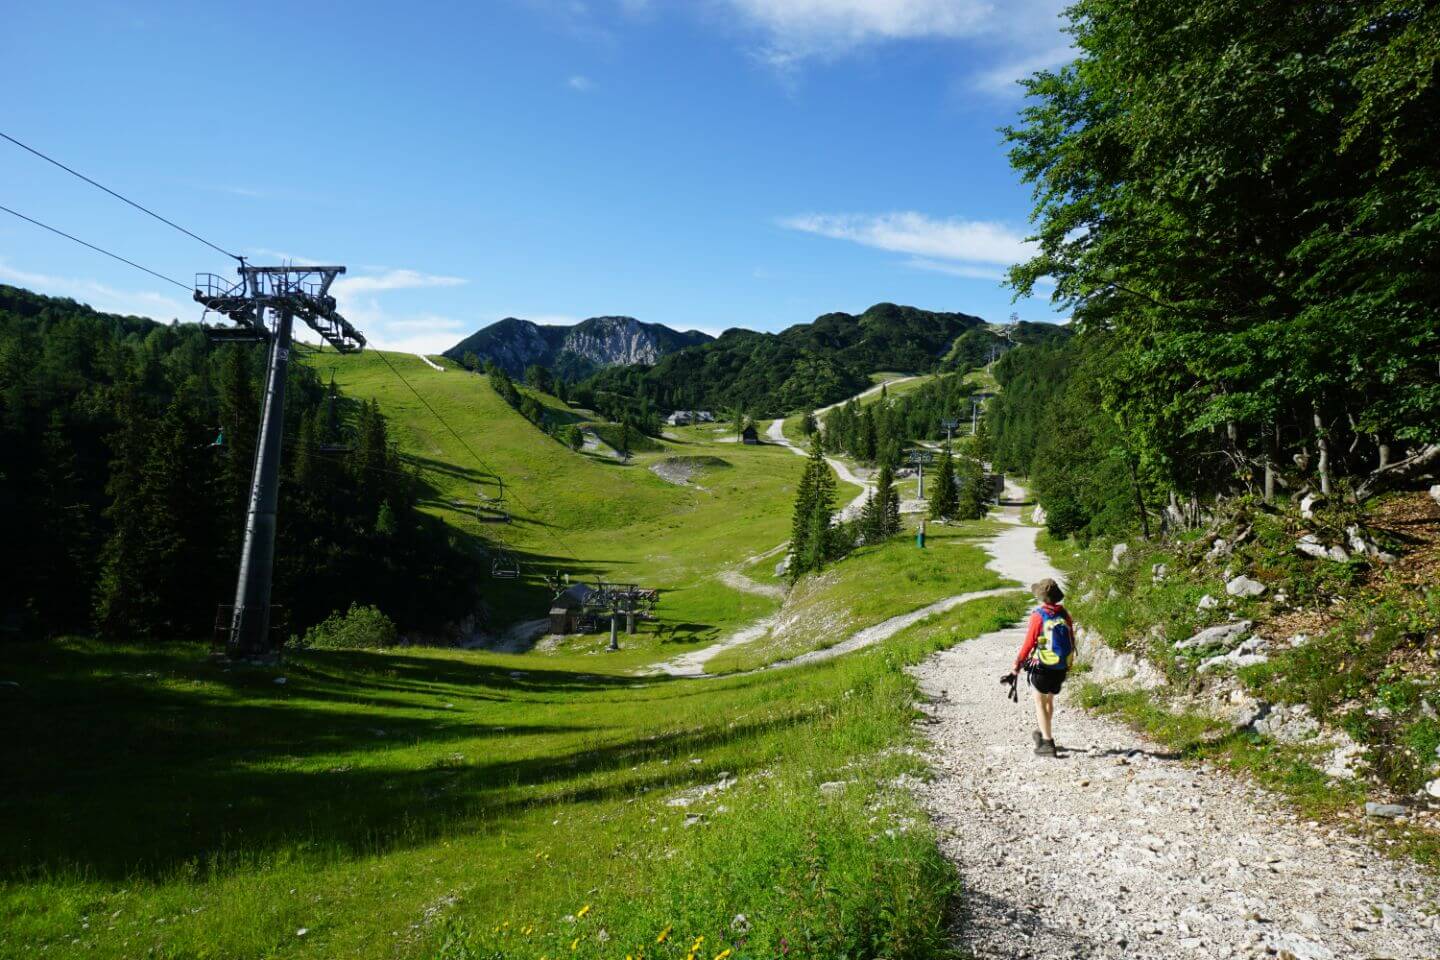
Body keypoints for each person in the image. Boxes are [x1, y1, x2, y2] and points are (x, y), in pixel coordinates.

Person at [1003, 578, 1075, 756]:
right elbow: (1072, 639)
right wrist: (1069, 663)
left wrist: (1017, 665)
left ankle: (1048, 744)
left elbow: (1028, 644)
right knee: (1049, 701)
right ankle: (1044, 733)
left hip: (1042, 667)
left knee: (1039, 702)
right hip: (1060, 667)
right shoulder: (1065, 614)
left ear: (1042, 597)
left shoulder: (1038, 615)